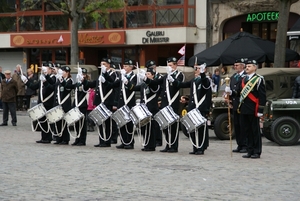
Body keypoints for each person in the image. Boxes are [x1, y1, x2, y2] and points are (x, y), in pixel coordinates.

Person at [225, 60, 266, 159]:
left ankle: (257, 151)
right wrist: (231, 92)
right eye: (246, 66)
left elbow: (262, 96)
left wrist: (260, 110)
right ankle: (250, 150)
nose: (247, 68)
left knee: (255, 130)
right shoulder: (243, 79)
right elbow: (239, 93)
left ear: (255, 68)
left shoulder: (258, 79)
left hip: (253, 108)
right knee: (247, 130)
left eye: (249, 66)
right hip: (243, 108)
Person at [176, 63, 211, 155]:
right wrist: (173, 81)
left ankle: (201, 148)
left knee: (200, 130)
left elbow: (205, 84)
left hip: (201, 108)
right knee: (193, 129)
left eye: (198, 68)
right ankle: (195, 147)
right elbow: (182, 85)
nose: (196, 70)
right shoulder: (194, 80)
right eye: (195, 68)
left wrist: (202, 74)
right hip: (193, 108)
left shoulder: (206, 80)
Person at [85, 58, 118, 148]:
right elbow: (93, 84)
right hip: (100, 101)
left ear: (108, 65)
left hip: (107, 101)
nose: (102, 65)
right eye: (101, 64)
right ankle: (101, 140)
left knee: (107, 122)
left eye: (104, 64)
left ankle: (107, 141)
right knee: (100, 121)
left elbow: (113, 83)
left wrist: (105, 74)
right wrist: (83, 81)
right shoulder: (100, 75)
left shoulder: (113, 74)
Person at [21, 65, 55, 143]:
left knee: (47, 121)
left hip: (48, 103)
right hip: (41, 103)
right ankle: (44, 137)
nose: (44, 71)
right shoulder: (41, 79)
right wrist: (26, 81)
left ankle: (48, 137)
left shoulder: (53, 78)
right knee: (42, 120)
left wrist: (46, 79)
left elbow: (52, 87)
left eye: (46, 70)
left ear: (50, 70)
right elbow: (33, 86)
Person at [159, 57, 184, 153]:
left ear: (175, 65)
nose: (169, 67)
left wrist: (172, 79)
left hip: (173, 103)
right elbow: (161, 86)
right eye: (168, 65)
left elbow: (179, 85)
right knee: (165, 125)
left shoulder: (179, 74)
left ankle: (174, 146)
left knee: (173, 126)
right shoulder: (165, 76)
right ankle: (168, 144)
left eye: (170, 65)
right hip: (165, 103)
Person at [46, 66, 73, 145]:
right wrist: (46, 76)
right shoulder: (58, 81)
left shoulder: (69, 80)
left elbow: (67, 88)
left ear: (67, 73)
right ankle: (59, 138)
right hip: (58, 103)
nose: (62, 73)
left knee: (64, 123)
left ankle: (65, 139)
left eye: (64, 72)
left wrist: (61, 80)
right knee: (57, 122)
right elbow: (54, 87)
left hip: (65, 104)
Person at [115, 59, 137, 149]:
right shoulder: (122, 76)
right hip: (122, 102)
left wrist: (126, 80)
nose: (124, 68)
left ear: (131, 67)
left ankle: (130, 142)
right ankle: (123, 141)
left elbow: (132, 87)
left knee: (129, 123)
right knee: (121, 122)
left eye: (126, 66)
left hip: (129, 102)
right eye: (124, 66)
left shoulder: (134, 76)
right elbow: (116, 86)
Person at [137, 67, 161, 151]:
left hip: (152, 108)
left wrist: (145, 79)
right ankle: (146, 144)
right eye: (146, 74)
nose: (146, 75)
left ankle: (152, 145)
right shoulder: (143, 84)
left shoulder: (155, 84)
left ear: (153, 75)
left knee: (151, 127)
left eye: (148, 74)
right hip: (144, 108)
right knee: (144, 127)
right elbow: (133, 88)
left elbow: (152, 86)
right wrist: (125, 82)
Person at [228, 58, 247, 153]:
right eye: (234, 65)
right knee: (236, 125)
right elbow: (231, 88)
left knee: (243, 125)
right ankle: (239, 144)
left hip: (242, 104)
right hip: (235, 104)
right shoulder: (233, 76)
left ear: (242, 66)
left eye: (237, 65)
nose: (235, 67)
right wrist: (229, 98)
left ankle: (245, 145)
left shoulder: (245, 76)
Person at [144, 60, 163, 146]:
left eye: (154, 67)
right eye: (151, 68)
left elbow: (162, 89)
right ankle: (151, 140)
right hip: (149, 102)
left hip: (156, 100)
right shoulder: (146, 77)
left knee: (156, 123)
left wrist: (160, 99)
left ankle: (158, 140)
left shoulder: (159, 77)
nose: (153, 68)